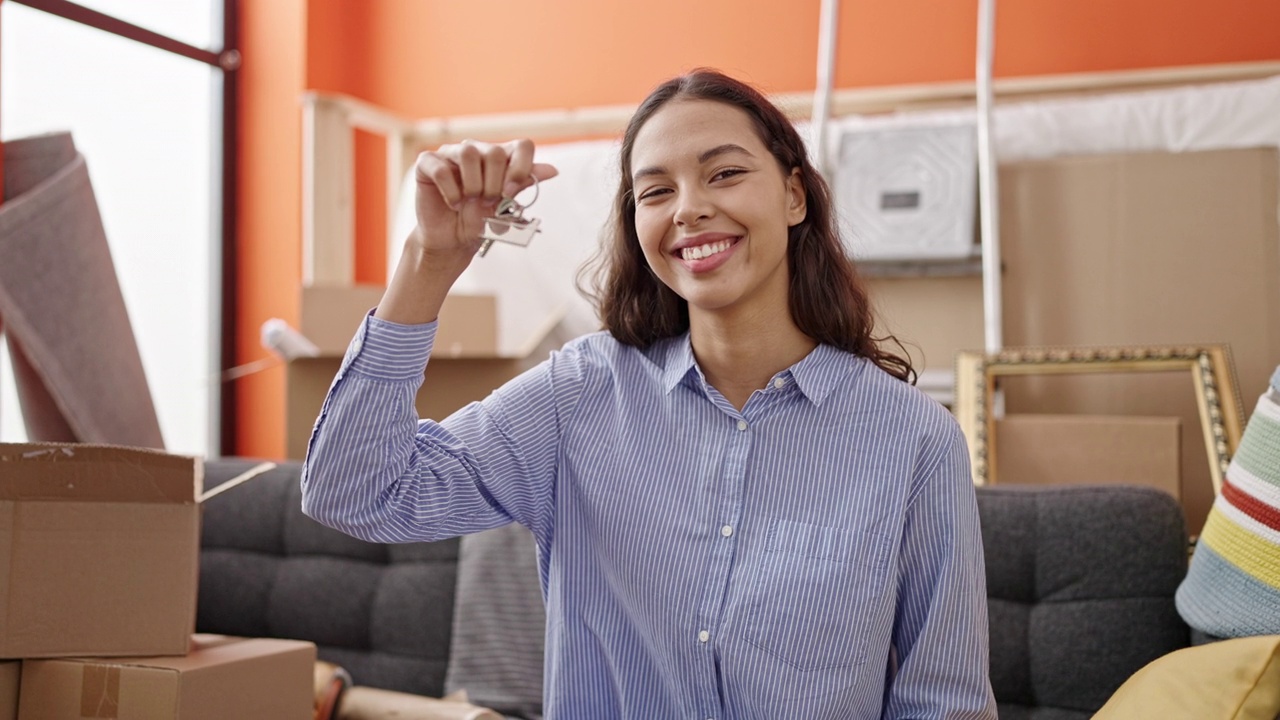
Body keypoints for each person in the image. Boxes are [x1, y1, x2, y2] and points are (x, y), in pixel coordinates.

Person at [301, 68, 996, 719]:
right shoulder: (578, 394)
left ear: (793, 195)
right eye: (656, 191)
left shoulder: (912, 439)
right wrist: (430, 260)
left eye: (724, 173)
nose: (690, 209)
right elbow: (355, 491)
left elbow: (946, 703)